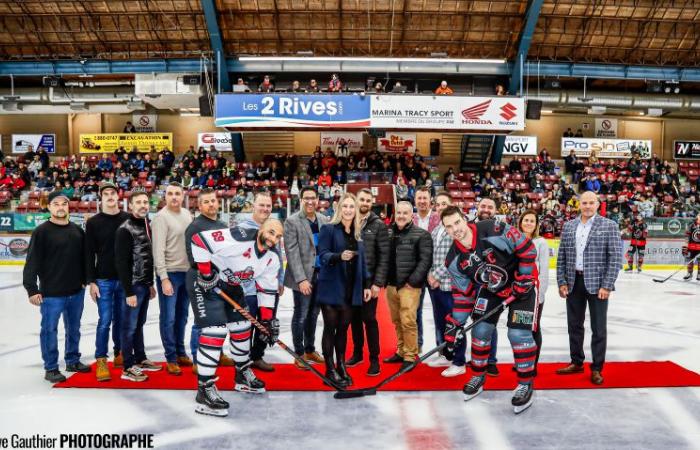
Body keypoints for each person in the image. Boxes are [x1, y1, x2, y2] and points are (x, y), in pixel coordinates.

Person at [440, 206, 538, 414]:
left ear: (464, 219)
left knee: (518, 334)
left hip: (523, 286)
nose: (455, 229)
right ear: (445, 230)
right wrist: (454, 325)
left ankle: (525, 383)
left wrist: (524, 278)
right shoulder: (453, 261)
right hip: (492, 289)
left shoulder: (493, 228)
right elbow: (463, 295)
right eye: (449, 227)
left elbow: (528, 249)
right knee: (480, 331)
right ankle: (478, 375)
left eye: (457, 222)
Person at [190, 219, 283, 417]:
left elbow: (266, 290)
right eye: (271, 232)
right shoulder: (239, 236)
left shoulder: (272, 258)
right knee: (215, 330)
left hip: (231, 286)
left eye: (278, 236)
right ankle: (204, 390)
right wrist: (206, 274)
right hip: (205, 280)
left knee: (242, 326)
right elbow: (198, 240)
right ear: (261, 229)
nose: (273, 239)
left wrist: (266, 322)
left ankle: (242, 374)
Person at [556, 191, 623, 385]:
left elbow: (615, 258)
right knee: (574, 326)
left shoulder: (609, 226)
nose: (587, 206)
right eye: (584, 203)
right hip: (573, 282)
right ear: (579, 205)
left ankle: (596, 368)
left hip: (598, 285)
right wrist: (562, 281)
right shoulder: (568, 226)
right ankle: (576, 362)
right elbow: (562, 257)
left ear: (597, 204)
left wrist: (607, 285)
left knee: (598, 329)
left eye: (591, 203)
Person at [23, 190, 90, 383]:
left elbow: (85, 258)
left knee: (74, 328)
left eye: (64, 204)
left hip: (76, 291)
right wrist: (32, 289)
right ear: (49, 207)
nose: (61, 207)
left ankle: (72, 360)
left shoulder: (77, 230)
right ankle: (51, 367)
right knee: (49, 330)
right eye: (57, 204)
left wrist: (86, 279)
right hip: (51, 294)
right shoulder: (42, 231)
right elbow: (32, 262)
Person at [317, 193, 372, 387]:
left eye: (352, 207)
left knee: (343, 330)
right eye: (345, 206)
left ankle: (341, 365)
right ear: (339, 208)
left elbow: (363, 263)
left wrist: (366, 285)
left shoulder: (357, 234)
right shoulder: (328, 229)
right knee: (330, 329)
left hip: (351, 288)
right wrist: (339, 256)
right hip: (331, 287)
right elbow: (322, 255)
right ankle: (329, 368)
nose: (348, 210)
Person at [115, 189, 162, 382]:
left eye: (145, 202)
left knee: (139, 324)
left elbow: (145, 258)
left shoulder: (147, 225)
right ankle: (128, 366)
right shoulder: (125, 229)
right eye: (139, 202)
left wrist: (150, 283)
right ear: (131, 206)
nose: (143, 205)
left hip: (143, 284)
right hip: (132, 286)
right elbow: (122, 263)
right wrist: (128, 291)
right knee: (129, 326)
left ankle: (140, 358)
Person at [185, 189, 234, 374]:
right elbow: (193, 259)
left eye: (213, 200)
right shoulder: (195, 227)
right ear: (200, 205)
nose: (211, 204)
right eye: (206, 202)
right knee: (202, 321)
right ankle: (198, 360)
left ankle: (217, 353)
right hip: (200, 279)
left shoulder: (222, 224)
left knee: (219, 320)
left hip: (220, 278)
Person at [85, 182, 129, 381]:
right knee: (105, 321)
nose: (110, 196)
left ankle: (120, 352)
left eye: (113, 193)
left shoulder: (128, 219)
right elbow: (88, 254)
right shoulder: (93, 222)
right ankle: (101, 359)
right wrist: (91, 281)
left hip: (125, 279)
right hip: (103, 279)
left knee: (122, 319)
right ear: (101, 198)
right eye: (106, 194)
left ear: (118, 196)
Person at [237, 192, 285, 372]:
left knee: (266, 322)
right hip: (247, 288)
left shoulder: (273, 227)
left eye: (268, 206)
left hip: (269, 287)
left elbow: (278, 257)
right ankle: (242, 359)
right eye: (262, 205)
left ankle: (257, 355)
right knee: (245, 324)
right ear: (254, 205)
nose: (265, 209)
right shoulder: (243, 228)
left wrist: (279, 281)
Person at [383, 201, 433, 371]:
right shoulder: (387, 232)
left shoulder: (422, 235)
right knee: (397, 321)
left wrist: (413, 282)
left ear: (412, 215)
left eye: (405, 213)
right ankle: (401, 350)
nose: (401, 216)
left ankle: (410, 356)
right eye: (399, 213)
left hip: (409, 287)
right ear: (394, 214)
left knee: (408, 321)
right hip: (391, 285)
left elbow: (425, 261)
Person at [283, 187, 328, 369]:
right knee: (301, 315)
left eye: (313, 198)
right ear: (301, 199)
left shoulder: (324, 220)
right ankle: (299, 353)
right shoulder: (292, 221)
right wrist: (301, 280)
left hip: (320, 275)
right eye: (306, 198)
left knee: (313, 315)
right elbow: (291, 252)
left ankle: (310, 349)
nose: (310, 201)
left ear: (317, 200)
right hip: (302, 277)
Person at [152, 182, 194, 375]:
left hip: (187, 274)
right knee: (168, 317)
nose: (174, 197)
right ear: (165, 196)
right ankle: (170, 357)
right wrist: (163, 278)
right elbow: (157, 250)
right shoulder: (161, 218)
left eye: (178, 193)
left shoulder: (187, 214)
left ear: (183, 195)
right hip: (170, 274)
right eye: (170, 194)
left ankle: (180, 351)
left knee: (182, 316)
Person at [346, 189, 389, 376]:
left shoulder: (378, 225)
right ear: (356, 201)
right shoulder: (348, 221)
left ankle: (374, 359)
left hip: (369, 282)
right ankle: (357, 354)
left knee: (369, 319)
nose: (364, 203)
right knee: (354, 319)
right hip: (350, 282)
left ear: (372, 203)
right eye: (361, 199)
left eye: (368, 200)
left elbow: (384, 256)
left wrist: (377, 283)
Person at [426, 192, 466, 377]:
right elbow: (433, 257)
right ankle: (447, 355)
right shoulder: (437, 229)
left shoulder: (457, 228)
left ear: (451, 206)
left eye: (444, 204)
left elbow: (456, 257)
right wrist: (430, 275)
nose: (440, 207)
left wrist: (436, 275)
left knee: (455, 325)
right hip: (436, 286)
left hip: (451, 285)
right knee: (441, 323)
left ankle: (459, 361)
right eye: (438, 204)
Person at [518, 210, 550, 366]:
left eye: (532, 221)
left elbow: (544, 270)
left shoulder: (541, 242)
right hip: (517, 294)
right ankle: (522, 360)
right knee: (520, 328)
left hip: (534, 293)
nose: (528, 223)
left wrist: (540, 294)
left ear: (536, 225)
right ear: (520, 222)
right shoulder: (515, 240)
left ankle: (533, 363)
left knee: (533, 328)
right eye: (526, 220)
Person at [473, 197, 500, 376]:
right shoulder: (468, 227)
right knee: (471, 321)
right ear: (477, 207)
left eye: (490, 207)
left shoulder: (501, 231)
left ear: (495, 211)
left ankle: (490, 360)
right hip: (469, 282)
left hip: (491, 284)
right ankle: (474, 357)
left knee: (490, 322)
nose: (486, 209)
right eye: (483, 206)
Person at [412, 187, 440, 351]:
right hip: (416, 272)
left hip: (435, 273)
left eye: (425, 198)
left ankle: (442, 344)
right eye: (419, 198)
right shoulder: (410, 218)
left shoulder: (438, 218)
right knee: (415, 310)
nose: (422, 201)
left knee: (439, 310)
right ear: (415, 200)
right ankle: (417, 343)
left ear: (430, 200)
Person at [682, 212, 700, 280]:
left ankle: (699, 274)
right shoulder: (691, 225)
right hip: (691, 246)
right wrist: (685, 245)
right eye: (699, 216)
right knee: (689, 260)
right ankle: (689, 273)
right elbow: (687, 235)